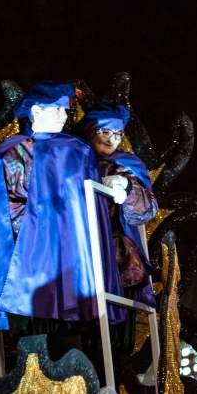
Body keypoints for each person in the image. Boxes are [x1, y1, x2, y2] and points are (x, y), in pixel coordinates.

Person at [0, 81, 126, 342]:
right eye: (56, 109)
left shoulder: (78, 150)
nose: (63, 116)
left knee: (70, 339)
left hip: (69, 255)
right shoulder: (12, 150)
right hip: (25, 260)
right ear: (35, 111)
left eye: (64, 110)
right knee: (32, 337)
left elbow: (88, 208)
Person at [73, 102, 158, 309]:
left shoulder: (126, 164)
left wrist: (127, 187)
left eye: (118, 134)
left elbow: (149, 206)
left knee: (119, 324)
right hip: (78, 248)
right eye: (106, 132)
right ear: (90, 131)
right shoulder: (72, 159)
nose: (113, 139)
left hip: (118, 256)